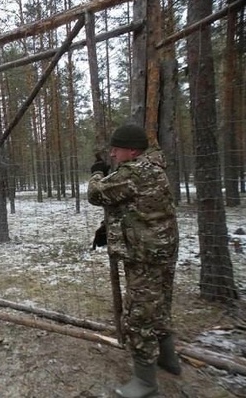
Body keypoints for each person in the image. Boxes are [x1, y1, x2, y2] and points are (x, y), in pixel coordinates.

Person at [87, 124, 180, 398]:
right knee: (159, 305)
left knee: (139, 315)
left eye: (116, 149)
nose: (113, 154)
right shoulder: (154, 166)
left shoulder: (133, 173)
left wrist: (96, 172)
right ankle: (169, 358)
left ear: (131, 150)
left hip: (145, 254)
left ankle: (145, 382)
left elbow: (96, 194)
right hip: (163, 249)